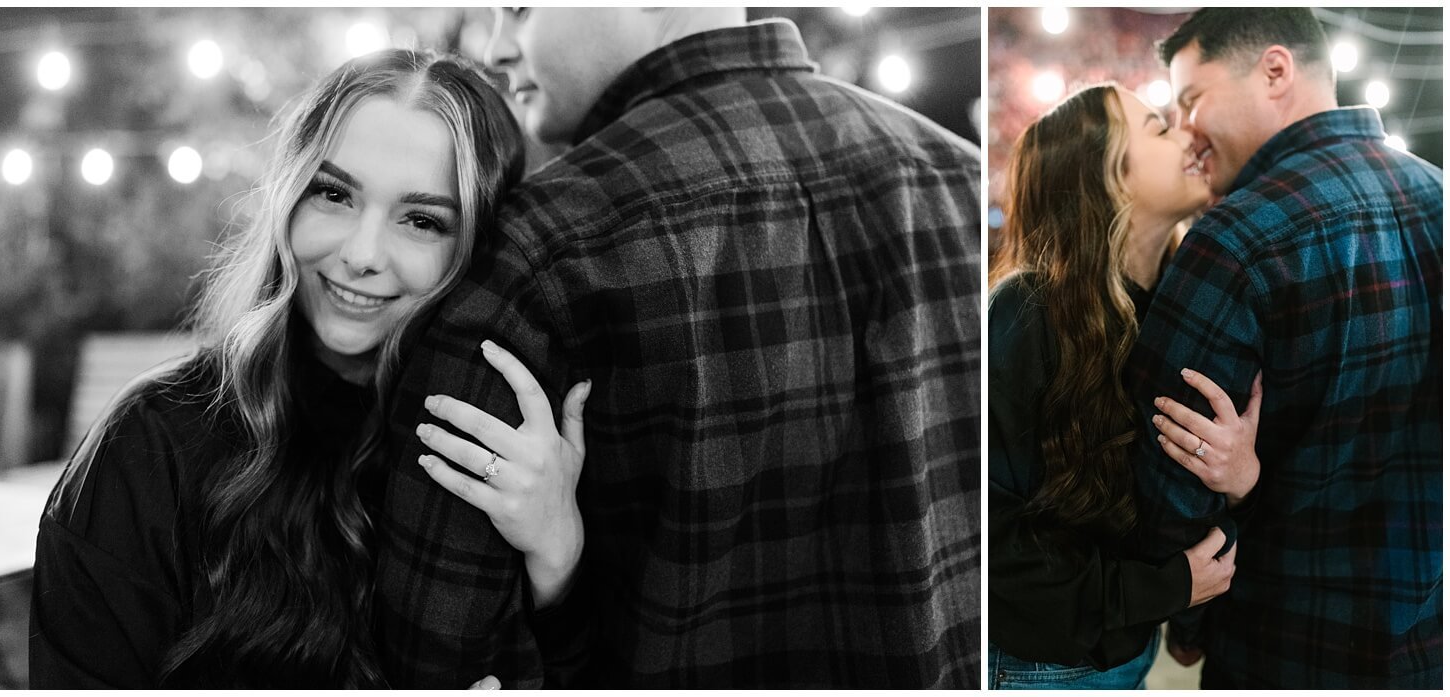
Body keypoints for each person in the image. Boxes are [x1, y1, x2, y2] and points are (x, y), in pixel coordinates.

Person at [372, 7, 982, 688]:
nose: (495, 47)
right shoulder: (957, 175)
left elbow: (446, 656)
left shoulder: (540, 246)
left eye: (518, 7)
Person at [28, 49, 581, 688]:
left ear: (481, 250)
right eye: (334, 193)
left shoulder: (498, 452)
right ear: (289, 196)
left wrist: (558, 558)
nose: (362, 253)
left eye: (422, 220)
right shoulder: (153, 441)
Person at [1126, 8, 1443, 688]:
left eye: (1192, 99)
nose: (1187, 129)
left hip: (1283, 639)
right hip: (1424, 636)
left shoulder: (1236, 236)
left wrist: (1187, 619)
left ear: (1275, 70)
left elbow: (1169, 467)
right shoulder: (1441, 197)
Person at [987, 83, 1244, 689]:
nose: (1190, 133)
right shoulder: (1025, 313)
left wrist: (1239, 475)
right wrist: (1163, 589)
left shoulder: (1184, 303)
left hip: (1131, 653)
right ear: (1104, 177)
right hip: (1043, 666)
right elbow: (991, 544)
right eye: (1159, 127)